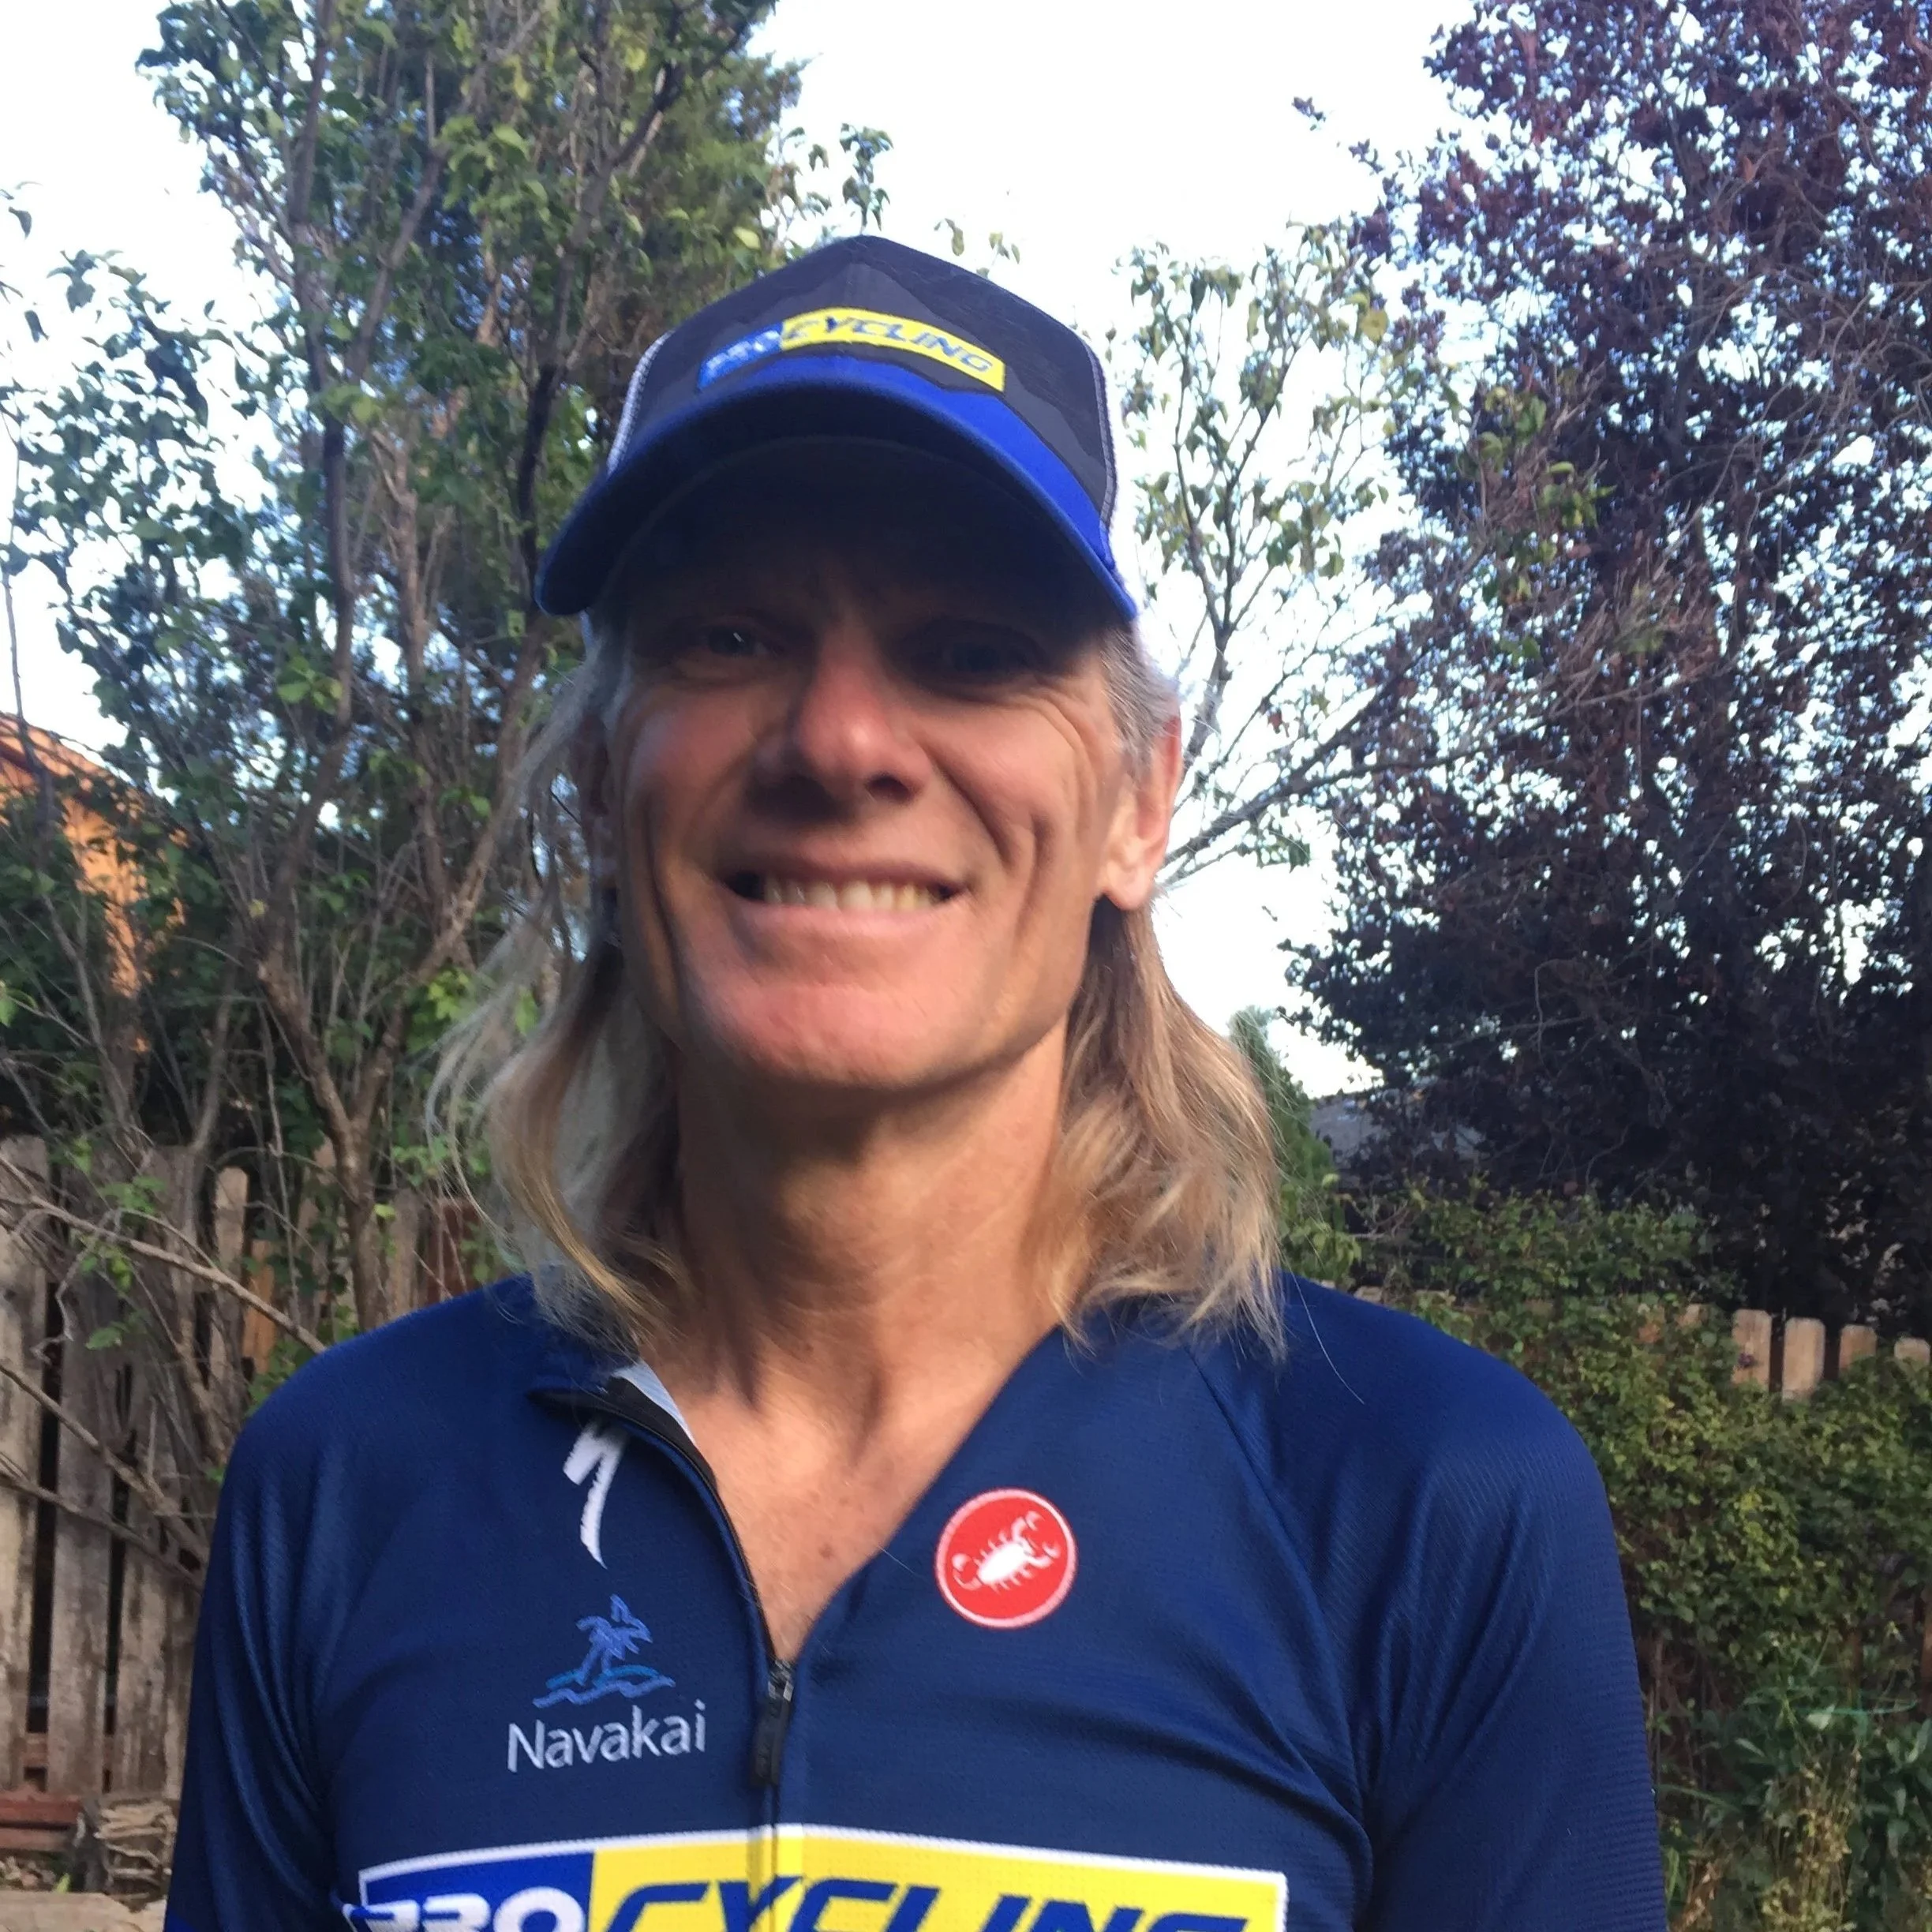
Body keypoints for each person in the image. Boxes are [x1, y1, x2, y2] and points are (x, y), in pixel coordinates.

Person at [164, 237, 1666, 1932]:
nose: (840, 741)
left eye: (971, 647)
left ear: (1136, 804)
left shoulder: (1421, 1502)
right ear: (602, 780)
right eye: (730, 635)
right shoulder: (347, 1485)